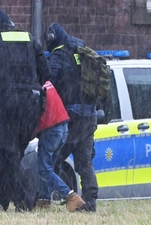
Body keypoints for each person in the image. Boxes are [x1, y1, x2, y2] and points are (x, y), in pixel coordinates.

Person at [0, 9, 50, 212]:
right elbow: (46, 73)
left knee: (7, 156)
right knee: (11, 156)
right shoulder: (30, 39)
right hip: (30, 107)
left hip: (6, 105)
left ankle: (24, 201)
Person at [44, 22, 99, 212]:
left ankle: (63, 195)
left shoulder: (58, 54)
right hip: (89, 116)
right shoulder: (82, 48)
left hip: (71, 117)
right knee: (84, 161)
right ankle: (90, 201)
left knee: (53, 159)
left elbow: (47, 81)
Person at [33, 81, 85, 212]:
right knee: (49, 167)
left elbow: (32, 115)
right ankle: (44, 200)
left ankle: (70, 196)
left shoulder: (34, 87)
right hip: (63, 126)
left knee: (44, 168)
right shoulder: (46, 83)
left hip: (51, 129)